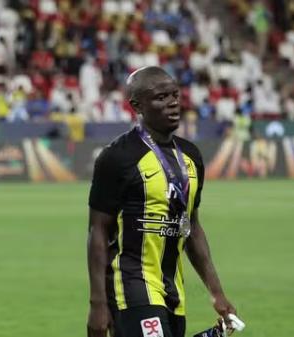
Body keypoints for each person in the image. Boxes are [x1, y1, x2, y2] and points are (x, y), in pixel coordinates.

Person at [87, 66, 238, 337]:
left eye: (175, 95)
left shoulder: (191, 157)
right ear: (137, 105)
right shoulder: (117, 158)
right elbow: (97, 231)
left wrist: (217, 293)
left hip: (172, 288)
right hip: (130, 285)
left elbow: (190, 226)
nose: (172, 103)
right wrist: (97, 304)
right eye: (160, 98)